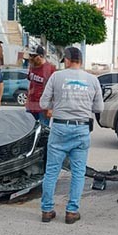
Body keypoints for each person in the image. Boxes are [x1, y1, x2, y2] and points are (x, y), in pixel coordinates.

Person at [39, 46, 103, 224]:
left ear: (67, 60)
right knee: (78, 172)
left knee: (52, 171)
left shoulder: (56, 76)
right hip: (81, 128)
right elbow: (99, 108)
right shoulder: (92, 79)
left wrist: (56, 105)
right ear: (81, 61)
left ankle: (47, 210)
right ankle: (71, 212)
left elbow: (44, 103)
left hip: (59, 128)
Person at [24, 45, 56, 121]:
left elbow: (55, 90)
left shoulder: (50, 69)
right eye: (30, 55)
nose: (30, 58)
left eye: (33, 56)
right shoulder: (32, 66)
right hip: (31, 106)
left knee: (43, 130)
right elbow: (31, 84)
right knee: (29, 128)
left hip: (43, 108)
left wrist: (50, 108)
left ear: (40, 56)